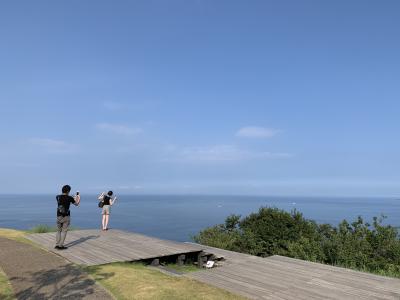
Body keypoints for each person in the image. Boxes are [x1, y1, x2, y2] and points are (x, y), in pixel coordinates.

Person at [55, 185, 80, 250]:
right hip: (66, 216)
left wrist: (71, 198)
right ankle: (61, 246)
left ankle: (57, 244)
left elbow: (63, 203)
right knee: (64, 231)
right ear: (68, 191)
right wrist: (78, 197)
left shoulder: (58, 197)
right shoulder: (70, 198)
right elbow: (76, 204)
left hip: (58, 215)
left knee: (58, 230)